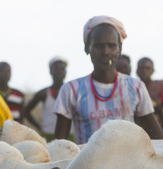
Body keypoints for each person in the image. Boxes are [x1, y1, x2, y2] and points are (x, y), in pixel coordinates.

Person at [54, 16, 163, 144]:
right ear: (87, 48)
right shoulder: (71, 90)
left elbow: (158, 139)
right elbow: (59, 147)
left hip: (130, 163)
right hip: (87, 164)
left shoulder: (135, 87)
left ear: (119, 49)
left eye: (111, 46)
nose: (105, 52)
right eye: (98, 46)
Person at [23, 56, 69, 140]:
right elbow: (25, 111)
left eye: (62, 69)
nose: (59, 72)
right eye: (56, 69)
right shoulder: (44, 93)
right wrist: (39, 127)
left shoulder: (71, 92)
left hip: (68, 137)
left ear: (65, 72)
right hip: (48, 136)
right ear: (51, 71)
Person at [0, 62, 39, 128]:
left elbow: (21, 116)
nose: (6, 74)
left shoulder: (19, 95)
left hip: (14, 133)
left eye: (8, 71)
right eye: (3, 71)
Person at [137, 57, 163, 125]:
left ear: (153, 70)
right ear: (137, 71)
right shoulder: (131, 87)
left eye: (147, 68)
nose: (144, 71)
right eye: (141, 68)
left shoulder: (160, 85)